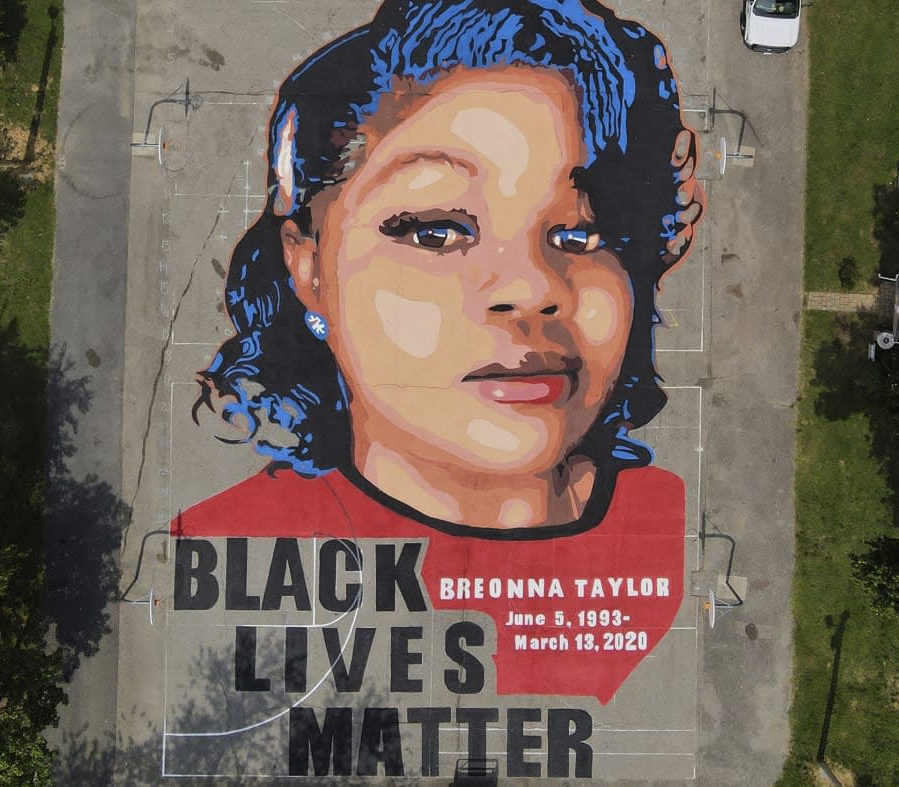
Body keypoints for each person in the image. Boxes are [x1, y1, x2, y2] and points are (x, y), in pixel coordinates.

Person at [171, 0, 703, 703]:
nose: (532, 288)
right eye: (436, 231)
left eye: (582, 234)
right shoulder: (221, 544)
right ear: (310, 270)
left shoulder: (669, 537)